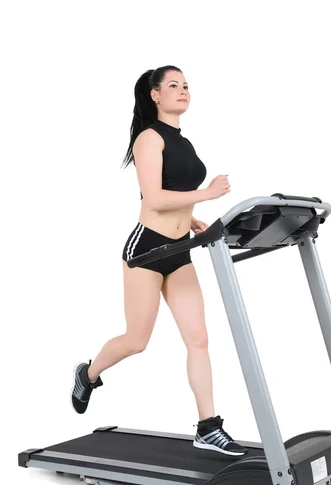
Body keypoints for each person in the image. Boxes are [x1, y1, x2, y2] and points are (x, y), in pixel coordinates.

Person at [71, 65, 247, 457]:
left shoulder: (182, 140)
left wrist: (192, 218)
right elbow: (153, 199)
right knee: (137, 340)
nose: (183, 91)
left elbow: (175, 194)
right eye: (173, 85)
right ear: (155, 94)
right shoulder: (148, 138)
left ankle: (208, 426)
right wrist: (207, 194)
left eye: (186, 86)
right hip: (147, 250)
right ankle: (88, 374)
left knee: (198, 339)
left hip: (179, 249)